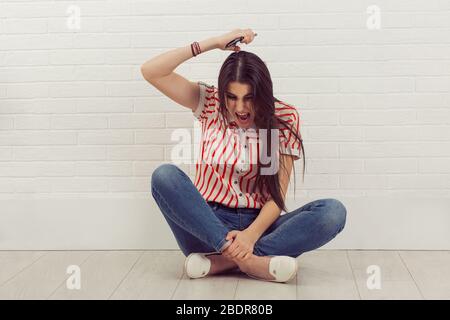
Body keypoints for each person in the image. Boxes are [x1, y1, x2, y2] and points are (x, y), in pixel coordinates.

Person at [141, 28, 347, 283]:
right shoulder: (209, 103)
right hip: (206, 226)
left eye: (249, 98)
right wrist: (214, 43)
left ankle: (222, 262)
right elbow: (151, 71)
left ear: (262, 92)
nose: (240, 108)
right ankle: (252, 263)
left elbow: (276, 197)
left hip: (259, 227)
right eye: (232, 97)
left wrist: (249, 236)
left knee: (332, 212)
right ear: (223, 93)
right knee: (164, 177)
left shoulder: (284, 118)